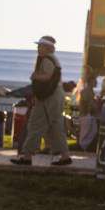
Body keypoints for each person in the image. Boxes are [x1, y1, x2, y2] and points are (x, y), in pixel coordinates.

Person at [11, 35, 72, 166]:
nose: (38, 48)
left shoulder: (46, 60)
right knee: (54, 127)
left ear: (47, 47)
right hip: (53, 97)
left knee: (35, 124)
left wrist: (35, 76)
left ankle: (27, 156)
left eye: (40, 46)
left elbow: (48, 77)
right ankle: (64, 155)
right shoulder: (54, 60)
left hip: (48, 98)